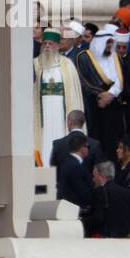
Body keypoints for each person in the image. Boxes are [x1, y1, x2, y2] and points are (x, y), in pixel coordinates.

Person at [75, 23, 127, 161]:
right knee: (95, 144)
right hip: (94, 107)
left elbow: (121, 80)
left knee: (112, 145)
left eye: (111, 44)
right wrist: (100, 94)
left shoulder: (116, 58)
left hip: (113, 107)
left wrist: (110, 95)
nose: (110, 48)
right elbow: (83, 81)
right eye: (107, 44)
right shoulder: (84, 57)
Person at [34, 29, 84, 165]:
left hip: (61, 113)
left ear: (58, 45)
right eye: (45, 43)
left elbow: (74, 93)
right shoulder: (35, 64)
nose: (48, 46)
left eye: (51, 43)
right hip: (42, 114)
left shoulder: (67, 64)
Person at [88, 161, 130, 238]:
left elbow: (98, 218)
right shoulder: (127, 192)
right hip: (125, 237)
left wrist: (82, 220)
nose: (93, 179)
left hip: (105, 237)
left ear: (101, 176)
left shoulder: (99, 191)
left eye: (94, 176)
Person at [56, 131, 94, 210]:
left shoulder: (67, 162)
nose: (88, 149)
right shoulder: (75, 166)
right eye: (88, 147)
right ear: (82, 148)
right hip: (74, 209)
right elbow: (82, 191)